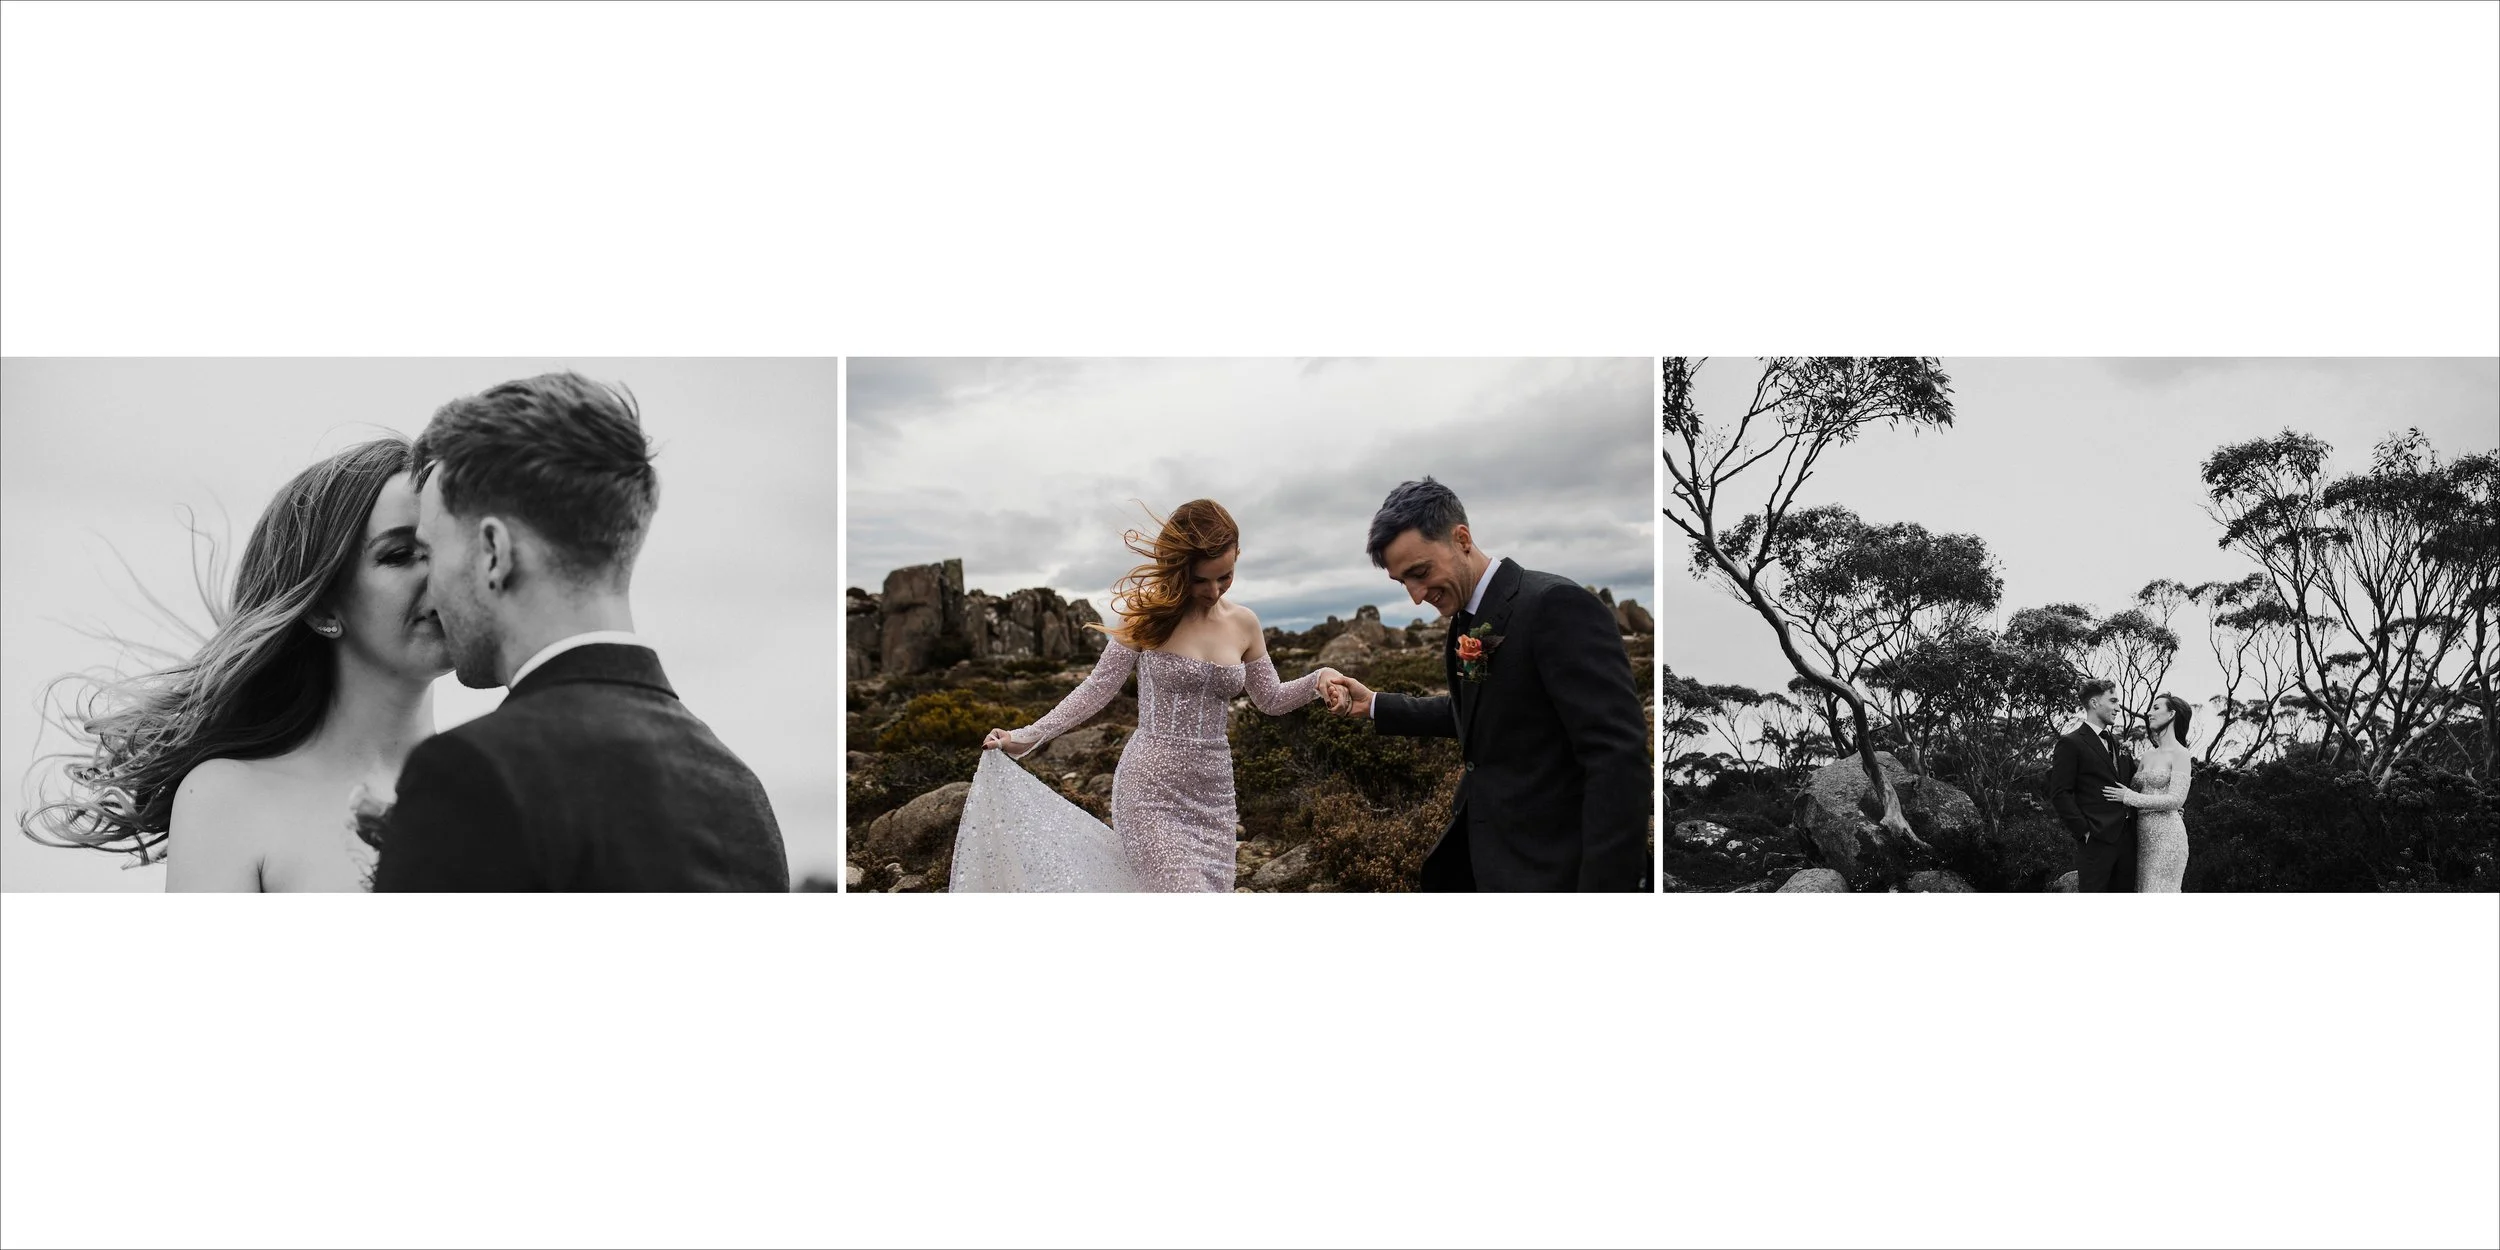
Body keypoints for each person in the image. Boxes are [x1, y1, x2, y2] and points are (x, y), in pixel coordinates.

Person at [371, 372, 787, 891]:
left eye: (431, 552)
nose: (429, 586)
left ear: (493, 553)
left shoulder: (468, 775)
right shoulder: (739, 791)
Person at [20, 439, 450, 891]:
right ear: (322, 607)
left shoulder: (503, 780)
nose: (439, 576)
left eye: (447, 551)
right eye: (399, 555)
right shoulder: (229, 798)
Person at [968, 500, 1341, 892]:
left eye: (1225, 577)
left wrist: (1319, 681)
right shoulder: (1145, 615)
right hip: (1150, 791)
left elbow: (1270, 699)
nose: (1213, 591)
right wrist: (1027, 736)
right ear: (1177, 569)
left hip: (1214, 797)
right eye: (1200, 580)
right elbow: (1098, 689)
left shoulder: (1245, 623)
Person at [1316, 478, 1650, 892]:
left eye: (1420, 573)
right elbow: (1483, 712)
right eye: (1403, 582)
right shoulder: (1464, 619)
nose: (1416, 596)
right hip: (1487, 861)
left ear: (1462, 539)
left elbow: (1617, 760)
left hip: (1555, 871)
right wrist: (1374, 705)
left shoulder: (1555, 606)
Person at [2047, 679, 2140, 892]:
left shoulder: (2119, 744)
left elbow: (2134, 784)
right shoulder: (2071, 743)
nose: (2118, 707)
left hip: (2128, 842)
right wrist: (2085, 832)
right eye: (2113, 701)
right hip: (2096, 841)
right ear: (2095, 703)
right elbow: (2060, 793)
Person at [2105, 692, 2194, 892]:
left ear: (2171, 714)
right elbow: (2132, 788)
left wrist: (2129, 796)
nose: (2148, 713)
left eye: (2156, 708)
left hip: (2167, 838)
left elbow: (2176, 800)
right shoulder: (2147, 755)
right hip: (2141, 838)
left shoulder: (2181, 754)